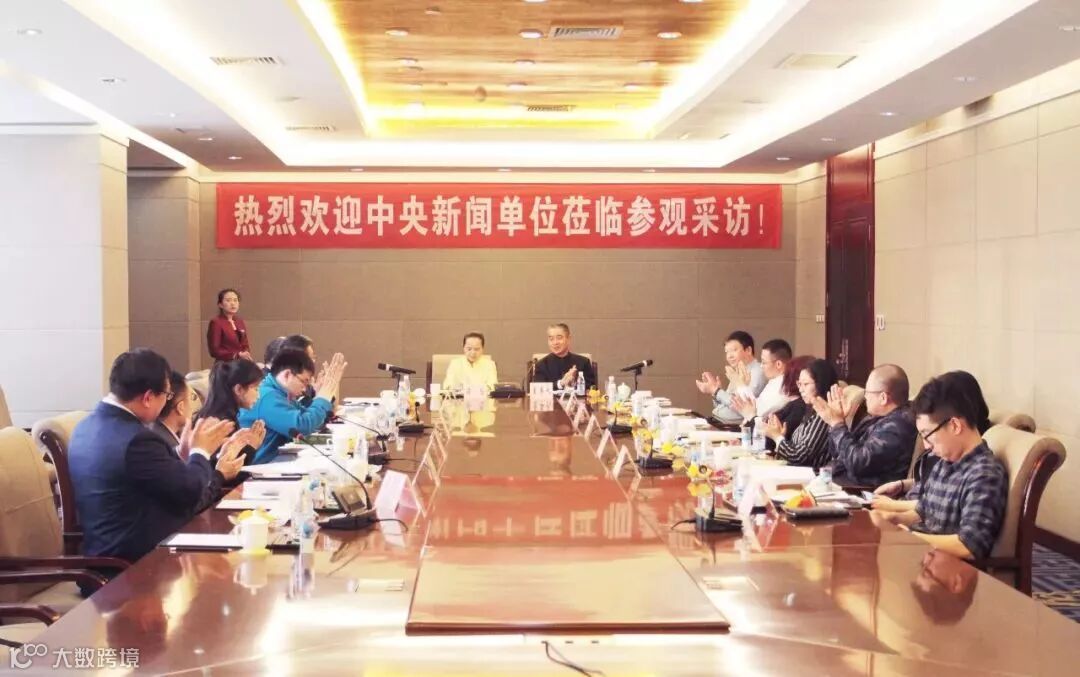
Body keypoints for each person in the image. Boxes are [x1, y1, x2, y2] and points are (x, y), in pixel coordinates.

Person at [68, 349, 255, 563]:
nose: (166, 402)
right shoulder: (137, 440)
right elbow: (191, 493)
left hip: (110, 551)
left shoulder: (84, 427)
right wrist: (200, 451)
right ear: (148, 398)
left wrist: (181, 454)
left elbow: (142, 475)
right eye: (166, 395)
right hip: (135, 564)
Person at [871, 371, 1007, 561]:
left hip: (948, 569)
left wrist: (910, 538)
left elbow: (969, 546)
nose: (926, 446)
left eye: (927, 435)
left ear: (955, 426)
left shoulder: (984, 474)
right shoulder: (945, 463)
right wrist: (893, 519)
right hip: (922, 559)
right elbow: (923, 512)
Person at [813, 364, 918, 488]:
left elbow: (858, 463)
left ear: (883, 398)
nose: (865, 397)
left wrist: (837, 424)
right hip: (837, 482)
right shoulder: (876, 417)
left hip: (859, 492)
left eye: (867, 392)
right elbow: (838, 453)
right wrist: (838, 422)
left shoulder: (897, 426)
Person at [238, 348, 346, 464]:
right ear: (287, 374)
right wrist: (322, 399)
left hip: (274, 461)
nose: (305, 389)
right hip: (259, 466)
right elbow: (302, 426)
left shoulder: (281, 393)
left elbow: (313, 423)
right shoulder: (267, 396)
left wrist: (323, 397)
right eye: (304, 381)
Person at [760, 358, 839, 469]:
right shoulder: (811, 410)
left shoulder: (825, 415)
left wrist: (777, 437)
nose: (801, 389)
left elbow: (800, 456)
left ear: (821, 384)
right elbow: (797, 448)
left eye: (806, 384)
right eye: (799, 384)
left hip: (812, 476)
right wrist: (781, 436)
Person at [695, 331, 766, 424]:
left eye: (734, 350)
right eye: (727, 352)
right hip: (718, 421)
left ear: (748, 350)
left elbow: (742, 407)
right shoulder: (737, 372)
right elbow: (721, 408)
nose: (729, 356)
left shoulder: (758, 371)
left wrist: (716, 391)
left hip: (734, 428)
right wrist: (715, 393)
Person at [728, 338, 795, 423]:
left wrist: (741, 385)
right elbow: (756, 405)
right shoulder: (774, 381)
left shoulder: (784, 386)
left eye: (764, 362)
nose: (761, 366)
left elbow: (757, 412)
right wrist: (744, 385)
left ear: (778, 364)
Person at [533, 323, 596, 391]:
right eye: (551, 339)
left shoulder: (583, 362)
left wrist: (574, 382)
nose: (555, 342)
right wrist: (561, 383)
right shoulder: (541, 365)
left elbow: (592, 389)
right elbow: (539, 390)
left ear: (568, 339)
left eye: (559, 338)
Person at [150, 371, 194, 453]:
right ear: (180, 407)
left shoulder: (153, 431)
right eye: (191, 398)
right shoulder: (166, 446)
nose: (192, 407)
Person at [206, 288, 251, 362]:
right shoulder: (216, 322)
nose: (233, 303)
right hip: (225, 365)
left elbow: (245, 344)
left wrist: (246, 353)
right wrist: (237, 355)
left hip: (241, 363)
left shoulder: (239, 321)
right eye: (228, 300)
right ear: (220, 304)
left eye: (235, 300)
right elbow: (214, 350)